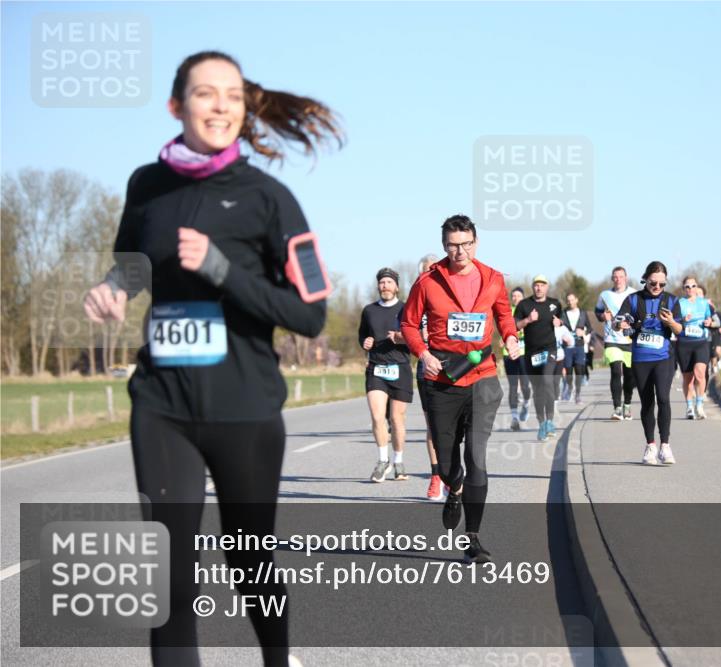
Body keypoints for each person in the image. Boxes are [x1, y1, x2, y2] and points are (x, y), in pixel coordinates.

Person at [83, 51, 340, 667]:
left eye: (232, 94)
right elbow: (135, 261)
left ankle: (276, 659)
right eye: (205, 93)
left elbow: (310, 314)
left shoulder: (269, 198)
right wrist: (115, 287)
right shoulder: (147, 185)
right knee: (168, 575)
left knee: (250, 562)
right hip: (162, 403)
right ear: (177, 106)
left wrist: (221, 269)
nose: (221, 105)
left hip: (245, 407)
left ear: (245, 107)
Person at [400, 214, 520, 564]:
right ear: (444, 246)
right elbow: (408, 323)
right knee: (449, 460)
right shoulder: (427, 281)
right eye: (453, 245)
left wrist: (511, 337)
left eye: (466, 244)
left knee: (476, 457)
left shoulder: (493, 279)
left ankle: (473, 537)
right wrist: (422, 353)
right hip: (442, 379)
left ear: (476, 243)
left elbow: (504, 317)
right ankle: (454, 487)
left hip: (482, 375)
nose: (460, 251)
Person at [613, 261, 680, 465]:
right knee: (647, 403)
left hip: (663, 358)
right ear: (645, 279)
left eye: (661, 284)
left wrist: (670, 322)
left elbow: (679, 330)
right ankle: (650, 445)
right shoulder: (633, 299)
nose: (657, 288)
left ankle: (665, 446)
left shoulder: (671, 300)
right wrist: (620, 324)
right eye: (653, 283)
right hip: (641, 359)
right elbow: (617, 323)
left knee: (663, 398)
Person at [359, 268, 412, 482]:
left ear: (397, 286)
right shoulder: (369, 310)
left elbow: (417, 337)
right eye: (382, 282)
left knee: (396, 419)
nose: (385, 286)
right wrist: (365, 343)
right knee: (377, 416)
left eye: (389, 282)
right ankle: (383, 461)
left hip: (400, 367)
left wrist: (400, 337)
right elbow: (362, 335)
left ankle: (398, 461)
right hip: (376, 368)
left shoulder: (407, 309)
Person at [514, 275, 564, 441]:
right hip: (531, 353)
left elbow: (562, 320)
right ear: (533, 287)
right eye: (536, 285)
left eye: (542, 285)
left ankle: (550, 421)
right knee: (538, 390)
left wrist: (560, 323)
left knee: (547, 380)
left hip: (549, 349)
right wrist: (528, 320)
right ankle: (542, 423)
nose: (539, 288)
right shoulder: (524, 305)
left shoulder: (555, 304)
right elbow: (514, 326)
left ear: (547, 287)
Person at [415, 254, 446, 499]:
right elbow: (403, 330)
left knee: (453, 426)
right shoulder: (415, 299)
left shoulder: (451, 295)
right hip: (426, 364)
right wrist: (416, 336)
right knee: (433, 426)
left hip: (453, 364)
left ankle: (451, 472)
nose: (432, 272)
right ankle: (436, 476)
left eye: (436, 268)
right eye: (428, 269)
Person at [595, 266, 638, 420]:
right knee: (615, 371)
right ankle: (617, 408)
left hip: (629, 339)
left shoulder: (634, 294)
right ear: (612, 279)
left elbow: (640, 314)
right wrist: (602, 317)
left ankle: (627, 404)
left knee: (629, 375)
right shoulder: (605, 295)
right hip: (612, 339)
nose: (618, 279)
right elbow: (598, 311)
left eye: (620, 276)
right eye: (615, 277)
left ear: (626, 278)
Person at [675, 276, 716, 419]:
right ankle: (689, 407)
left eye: (693, 286)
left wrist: (708, 321)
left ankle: (699, 405)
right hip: (684, 343)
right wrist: (682, 320)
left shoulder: (704, 303)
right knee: (688, 378)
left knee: (700, 373)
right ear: (683, 289)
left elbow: (710, 319)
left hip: (701, 341)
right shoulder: (679, 303)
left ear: (697, 287)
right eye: (687, 286)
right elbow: (673, 322)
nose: (691, 289)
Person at [502, 287, 532, 431]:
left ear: (523, 297)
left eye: (518, 296)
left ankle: (526, 403)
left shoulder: (529, 311)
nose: (515, 298)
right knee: (513, 385)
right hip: (509, 353)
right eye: (513, 296)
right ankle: (514, 418)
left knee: (525, 385)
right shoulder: (507, 312)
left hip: (525, 352)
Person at [561, 292, 592, 404]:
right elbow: (557, 327)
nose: (570, 302)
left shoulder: (583, 313)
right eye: (568, 300)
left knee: (579, 371)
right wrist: (562, 335)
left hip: (579, 346)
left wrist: (583, 331)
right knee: (568, 372)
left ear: (576, 300)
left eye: (572, 299)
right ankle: (570, 388)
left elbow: (590, 328)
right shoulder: (563, 313)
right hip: (567, 347)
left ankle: (578, 395)